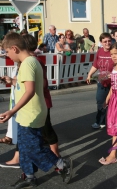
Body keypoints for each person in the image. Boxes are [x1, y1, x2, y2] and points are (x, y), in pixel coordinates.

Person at [0, 32, 72, 187]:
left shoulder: (27, 64)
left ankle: (61, 164)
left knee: (34, 148)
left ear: (15, 48)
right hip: (27, 114)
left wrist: (11, 111)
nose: (7, 56)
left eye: (7, 52)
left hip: (31, 114)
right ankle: (29, 176)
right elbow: (24, 86)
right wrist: (12, 81)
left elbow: (30, 91)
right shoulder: (30, 62)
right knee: (25, 149)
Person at [87, 33, 114, 129]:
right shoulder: (99, 51)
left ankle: (113, 122)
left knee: (113, 103)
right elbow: (96, 65)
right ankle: (100, 122)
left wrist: (114, 73)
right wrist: (89, 74)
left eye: (109, 41)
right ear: (101, 43)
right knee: (100, 101)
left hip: (113, 82)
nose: (107, 43)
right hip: (102, 81)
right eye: (105, 41)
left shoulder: (114, 51)